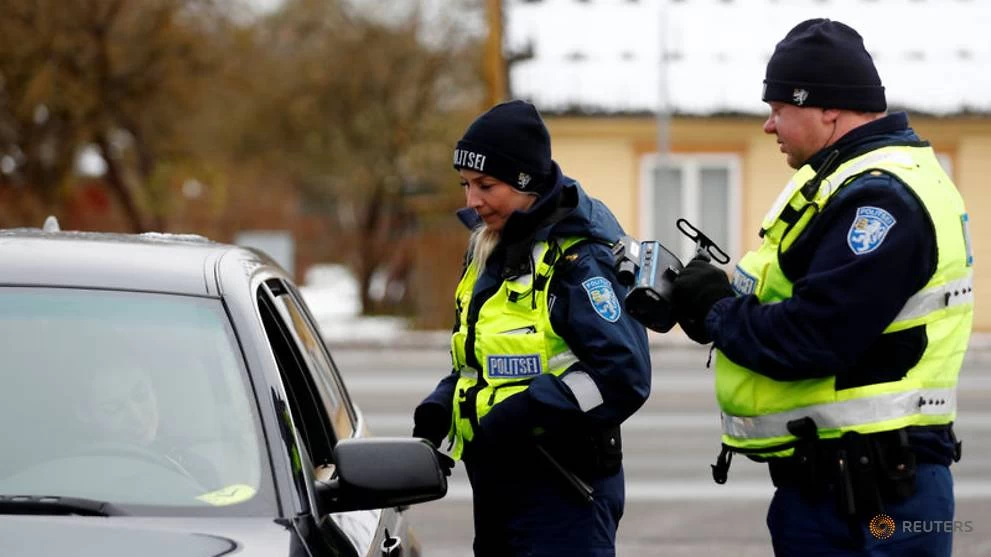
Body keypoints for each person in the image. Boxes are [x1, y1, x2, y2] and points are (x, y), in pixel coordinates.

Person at [668, 19, 973, 556]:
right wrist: (707, 300)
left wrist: (717, 311)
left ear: (827, 109)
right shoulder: (847, 183)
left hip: (876, 501)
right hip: (841, 480)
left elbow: (815, 335)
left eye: (779, 108)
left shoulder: (880, 199)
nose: (769, 126)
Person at [412, 100, 651, 557]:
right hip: (500, 483)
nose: (471, 202)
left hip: (564, 492)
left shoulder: (582, 258)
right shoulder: (492, 247)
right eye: (465, 185)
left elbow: (623, 375)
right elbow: (481, 360)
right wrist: (443, 407)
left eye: (486, 185)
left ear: (527, 183)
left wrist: (529, 413)